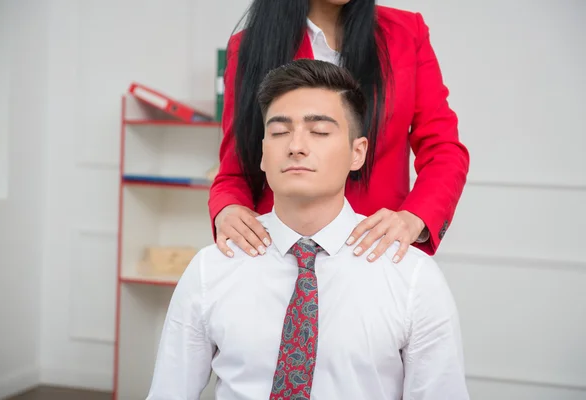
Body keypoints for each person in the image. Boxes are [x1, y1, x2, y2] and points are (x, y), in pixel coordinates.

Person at [147, 60, 469, 400]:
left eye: (319, 132)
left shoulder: (411, 277)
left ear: (357, 152)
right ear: (262, 153)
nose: (296, 146)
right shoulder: (212, 268)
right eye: (280, 132)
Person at [208, 0, 470, 264]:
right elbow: (235, 168)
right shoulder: (250, 45)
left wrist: (415, 217)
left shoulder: (405, 33)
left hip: (374, 252)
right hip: (278, 254)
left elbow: (443, 150)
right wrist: (227, 208)